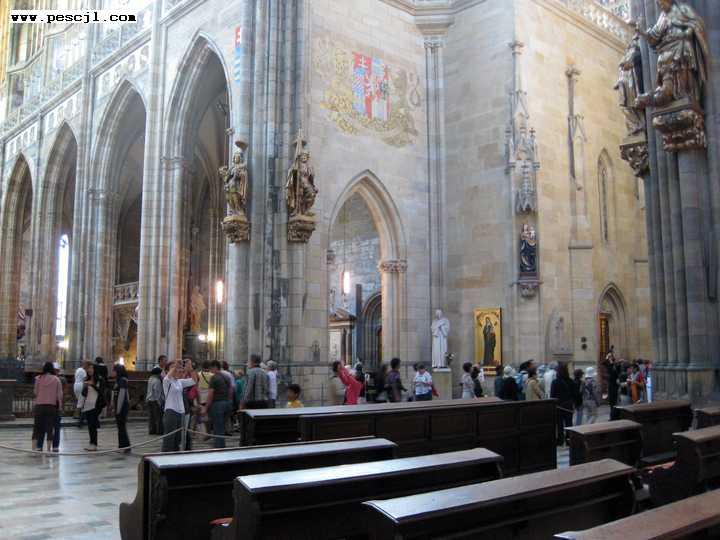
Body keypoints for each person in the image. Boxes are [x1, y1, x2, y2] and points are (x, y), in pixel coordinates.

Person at [161, 360, 196, 452]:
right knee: (169, 438)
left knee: (178, 439)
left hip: (181, 412)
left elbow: (194, 381)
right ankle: (166, 457)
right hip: (171, 411)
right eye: (173, 368)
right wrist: (176, 365)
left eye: (179, 369)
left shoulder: (179, 382)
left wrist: (190, 369)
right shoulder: (166, 381)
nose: (177, 370)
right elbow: (169, 375)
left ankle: (175, 456)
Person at [33, 362, 63, 452]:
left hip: (39, 405)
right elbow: (59, 395)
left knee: (38, 427)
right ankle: (50, 449)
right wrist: (60, 407)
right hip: (51, 406)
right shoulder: (56, 379)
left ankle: (37, 447)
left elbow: (35, 392)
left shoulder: (38, 378)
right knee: (50, 428)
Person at [202, 360, 232, 449]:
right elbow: (231, 390)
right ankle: (221, 446)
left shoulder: (214, 378)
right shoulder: (227, 377)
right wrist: (229, 401)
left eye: (211, 368)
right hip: (227, 403)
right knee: (222, 427)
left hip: (217, 405)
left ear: (215, 367)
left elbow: (210, 394)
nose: (210, 370)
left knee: (218, 428)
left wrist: (206, 407)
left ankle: (219, 448)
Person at [550, 363, 576, 446]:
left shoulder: (555, 382)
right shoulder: (571, 381)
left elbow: (552, 395)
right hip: (568, 405)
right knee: (569, 424)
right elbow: (574, 394)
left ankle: (560, 440)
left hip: (559, 406)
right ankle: (569, 440)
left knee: (559, 424)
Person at [81, 364, 103, 451]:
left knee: (93, 425)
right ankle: (91, 443)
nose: (89, 370)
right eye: (88, 368)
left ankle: (94, 444)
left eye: (91, 368)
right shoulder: (87, 379)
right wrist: (84, 387)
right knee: (89, 425)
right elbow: (84, 394)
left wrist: (92, 384)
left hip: (95, 405)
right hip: (87, 405)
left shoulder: (100, 379)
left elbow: (101, 391)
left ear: (95, 369)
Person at [113, 363, 131, 451]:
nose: (113, 372)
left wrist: (118, 409)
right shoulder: (118, 380)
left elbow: (122, 395)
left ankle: (126, 446)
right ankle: (122, 445)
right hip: (119, 406)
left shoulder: (122, 381)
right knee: (120, 427)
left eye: (114, 370)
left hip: (122, 407)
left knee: (122, 427)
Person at [146, 366, 164, 435]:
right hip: (155, 401)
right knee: (158, 417)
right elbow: (157, 392)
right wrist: (160, 402)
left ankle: (152, 430)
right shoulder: (157, 381)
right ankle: (159, 431)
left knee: (151, 417)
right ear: (158, 373)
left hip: (149, 400)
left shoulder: (150, 379)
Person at [74, 362, 88, 428]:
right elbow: (84, 380)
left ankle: (78, 415)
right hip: (80, 385)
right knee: (81, 402)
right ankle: (77, 415)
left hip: (75, 385)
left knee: (79, 401)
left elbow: (75, 377)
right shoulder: (84, 371)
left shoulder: (78, 369)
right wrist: (85, 388)